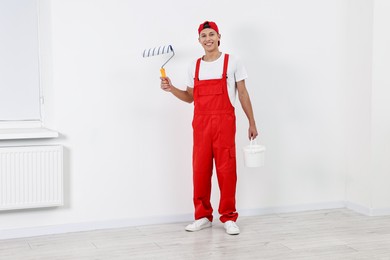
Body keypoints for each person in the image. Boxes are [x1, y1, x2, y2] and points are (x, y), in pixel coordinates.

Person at [160, 21, 258, 235]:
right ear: (199, 41)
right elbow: (189, 98)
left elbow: (242, 93)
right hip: (202, 126)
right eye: (203, 36)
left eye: (211, 34)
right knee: (200, 171)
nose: (208, 39)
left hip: (224, 124)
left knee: (226, 172)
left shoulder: (232, 62)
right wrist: (171, 88)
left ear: (219, 36)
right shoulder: (194, 66)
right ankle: (202, 216)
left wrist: (252, 122)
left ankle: (229, 217)